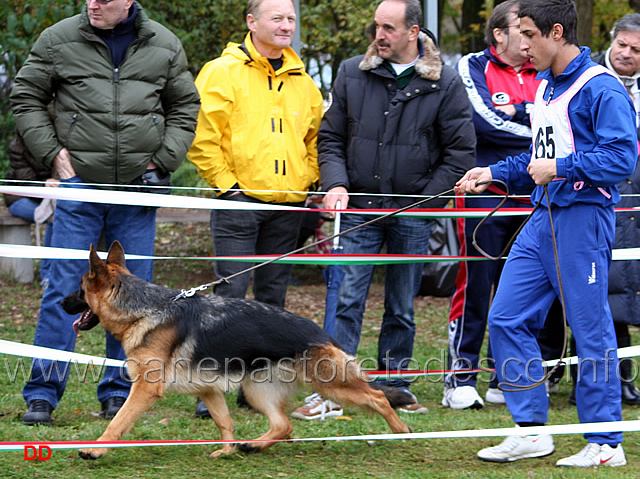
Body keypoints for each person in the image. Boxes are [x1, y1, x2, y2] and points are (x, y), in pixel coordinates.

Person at [456, 0, 635, 468]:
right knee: (506, 317)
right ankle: (532, 430)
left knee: (590, 328)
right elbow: (535, 158)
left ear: (556, 32)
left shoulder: (601, 88)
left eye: (529, 34)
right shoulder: (541, 86)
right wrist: (490, 172)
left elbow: (622, 159)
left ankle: (605, 443)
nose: (521, 45)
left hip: (583, 218)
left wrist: (560, 167)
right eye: (517, 34)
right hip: (542, 218)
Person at [10, 0, 200, 426]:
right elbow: (26, 97)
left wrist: (161, 160)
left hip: (138, 192)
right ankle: (42, 393)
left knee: (134, 299)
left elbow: (185, 106)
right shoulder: (57, 39)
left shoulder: (165, 44)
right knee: (63, 290)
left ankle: (118, 394)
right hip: (79, 189)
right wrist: (54, 156)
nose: (94, 3)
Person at [291, 0, 476, 420]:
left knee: (402, 304)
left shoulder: (444, 83)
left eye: (389, 28)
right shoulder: (352, 71)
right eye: (377, 26)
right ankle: (331, 391)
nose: (379, 35)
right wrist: (335, 182)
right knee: (345, 299)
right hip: (358, 207)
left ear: (413, 32)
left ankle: (395, 387)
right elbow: (331, 137)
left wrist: (425, 199)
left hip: (413, 211)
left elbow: (459, 153)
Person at [187, 0, 324, 416]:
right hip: (239, 203)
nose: (286, 26)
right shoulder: (221, 71)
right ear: (252, 22)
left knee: (273, 299)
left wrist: (309, 182)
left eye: (291, 20)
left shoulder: (305, 80)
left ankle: (256, 391)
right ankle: (208, 389)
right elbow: (203, 137)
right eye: (277, 18)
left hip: (289, 207)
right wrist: (229, 189)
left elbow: (315, 140)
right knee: (228, 299)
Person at [444, 0, 564, 410]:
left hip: (534, 195)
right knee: (476, 282)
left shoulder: (546, 68)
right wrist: (536, 133)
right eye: (523, 29)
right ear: (499, 33)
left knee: (527, 287)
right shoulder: (470, 66)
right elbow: (483, 122)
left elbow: (558, 123)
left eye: (534, 31)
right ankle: (459, 376)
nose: (530, 36)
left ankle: (506, 375)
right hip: (484, 192)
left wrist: (524, 112)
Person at [566, 13, 640, 406]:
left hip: (634, 199)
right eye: (622, 45)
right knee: (598, 292)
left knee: (627, 288)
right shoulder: (591, 82)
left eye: (636, 50)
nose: (626, 54)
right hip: (593, 196)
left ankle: (621, 379)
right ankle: (582, 379)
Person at [4, 127, 57, 287]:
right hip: (19, 198)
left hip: (51, 198)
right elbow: (27, 182)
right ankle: (47, 275)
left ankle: (54, 272)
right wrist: (46, 184)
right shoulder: (18, 149)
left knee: (59, 213)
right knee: (53, 217)